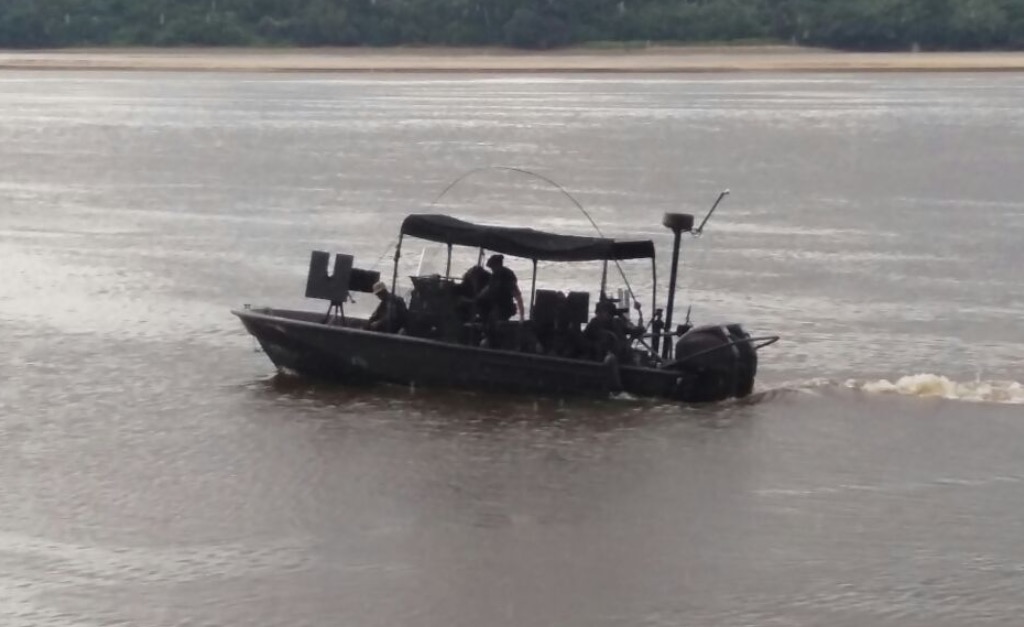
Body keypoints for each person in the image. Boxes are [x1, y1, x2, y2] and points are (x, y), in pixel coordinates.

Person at [477, 254, 524, 322]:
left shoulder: (506, 276)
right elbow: (488, 289)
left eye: (493, 267)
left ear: (497, 265)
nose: (492, 269)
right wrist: (477, 298)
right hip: (495, 305)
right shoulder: (495, 275)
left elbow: (517, 296)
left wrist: (522, 316)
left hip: (504, 307)